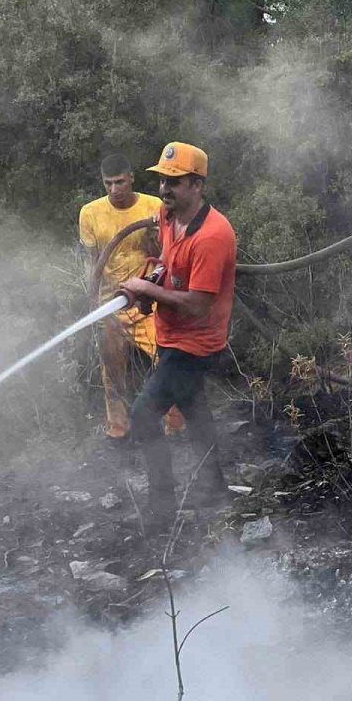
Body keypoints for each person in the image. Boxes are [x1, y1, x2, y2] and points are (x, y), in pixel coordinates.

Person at [122, 141, 237, 530]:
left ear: (197, 185)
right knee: (194, 409)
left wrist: (148, 290)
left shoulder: (213, 236)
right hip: (172, 335)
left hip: (197, 344)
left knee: (142, 414)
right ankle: (215, 488)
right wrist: (149, 285)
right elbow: (168, 265)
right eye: (162, 181)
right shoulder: (167, 216)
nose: (164, 189)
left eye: (175, 181)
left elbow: (197, 305)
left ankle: (162, 505)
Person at [78, 154, 183, 443]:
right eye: (108, 184)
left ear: (131, 178)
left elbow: (169, 255)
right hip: (111, 305)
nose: (114, 190)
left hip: (147, 304)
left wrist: (153, 237)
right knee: (111, 372)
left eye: (120, 182)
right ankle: (118, 433)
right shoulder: (90, 213)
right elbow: (92, 260)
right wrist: (94, 302)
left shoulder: (154, 206)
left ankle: (175, 431)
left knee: (167, 362)